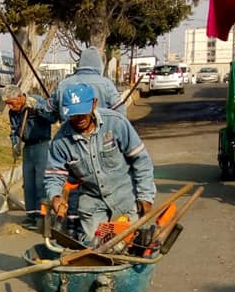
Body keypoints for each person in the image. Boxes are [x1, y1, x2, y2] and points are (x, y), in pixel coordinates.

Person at [44, 83, 156, 245]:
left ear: (94, 104)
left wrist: (145, 195)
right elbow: (54, 175)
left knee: (126, 245)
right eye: (74, 115)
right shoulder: (61, 140)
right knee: (96, 246)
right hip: (93, 202)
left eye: (83, 113)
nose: (80, 119)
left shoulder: (116, 123)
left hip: (126, 197)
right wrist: (55, 197)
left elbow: (141, 161)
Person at [3, 87, 54, 228]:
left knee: (40, 182)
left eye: (11, 102)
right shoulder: (12, 112)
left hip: (42, 145)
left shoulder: (36, 101)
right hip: (28, 147)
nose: (10, 106)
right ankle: (31, 215)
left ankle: (43, 217)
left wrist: (37, 108)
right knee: (29, 183)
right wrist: (15, 144)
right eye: (7, 103)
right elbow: (14, 130)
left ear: (20, 97)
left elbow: (52, 118)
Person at [56, 45, 126, 116]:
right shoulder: (106, 84)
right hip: (101, 126)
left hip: (68, 126)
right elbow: (120, 111)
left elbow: (50, 113)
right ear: (100, 64)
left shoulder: (63, 84)